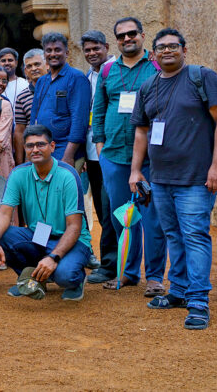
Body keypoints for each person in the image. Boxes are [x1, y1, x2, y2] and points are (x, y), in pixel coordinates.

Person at [130, 28, 217, 330]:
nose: (167, 51)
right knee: (173, 235)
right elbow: (141, 131)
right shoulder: (148, 87)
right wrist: (136, 170)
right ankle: (179, 290)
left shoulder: (202, 77)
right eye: (161, 48)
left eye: (174, 46)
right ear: (154, 55)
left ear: (185, 50)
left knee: (195, 235)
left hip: (196, 178)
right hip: (160, 178)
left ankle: (198, 301)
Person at [92, 18, 167, 295]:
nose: (127, 39)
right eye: (121, 35)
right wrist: (100, 150)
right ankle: (127, 273)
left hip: (151, 159)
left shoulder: (157, 65)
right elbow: (98, 112)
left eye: (132, 33)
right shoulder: (108, 70)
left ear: (142, 35)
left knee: (152, 218)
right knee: (122, 218)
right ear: (116, 41)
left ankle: (156, 276)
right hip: (113, 156)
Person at [0, 125, 92, 301]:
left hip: (70, 238)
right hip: (39, 236)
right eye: (29, 146)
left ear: (52, 146)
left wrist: (52, 257)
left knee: (65, 275)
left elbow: (74, 226)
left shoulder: (68, 175)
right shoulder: (18, 174)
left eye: (40, 144)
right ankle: (32, 278)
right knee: (4, 234)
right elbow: (4, 213)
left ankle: (76, 280)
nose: (34, 149)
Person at [80, 30, 119, 288]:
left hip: (113, 152)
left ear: (106, 47)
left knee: (110, 211)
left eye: (96, 48)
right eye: (88, 50)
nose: (92, 53)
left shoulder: (115, 70)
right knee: (102, 209)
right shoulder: (88, 76)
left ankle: (111, 265)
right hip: (93, 154)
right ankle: (111, 262)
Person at [30, 32, 91, 167]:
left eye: (57, 50)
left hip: (65, 150)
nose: (53, 54)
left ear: (67, 52)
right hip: (42, 150)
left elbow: (79, 120)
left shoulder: (76, 78)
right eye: (49, 51)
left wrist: (68, 156)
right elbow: (34, 116)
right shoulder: (41, 81)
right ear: (44, 55)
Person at [14, 49, 46, 163]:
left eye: (37, 64)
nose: (33, 69)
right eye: (29, 66)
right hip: (32, 153)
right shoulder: (22, 97)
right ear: (25, 71)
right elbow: (19, 131)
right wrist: (20, 162)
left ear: (46, 65)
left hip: (58, 149)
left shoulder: (58, 90)